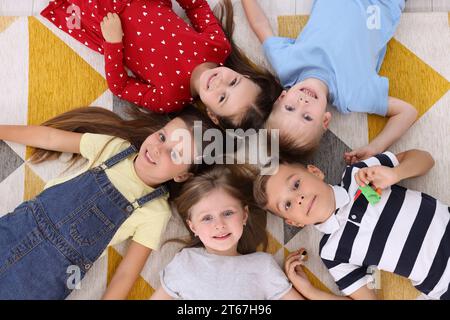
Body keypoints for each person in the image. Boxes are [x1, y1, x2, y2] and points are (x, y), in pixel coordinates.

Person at [0, 105, 216, 299]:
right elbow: (50, 138)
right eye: (162, 137)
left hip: (47, 278)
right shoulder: (113, 148)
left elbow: (126, 274)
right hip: (16, 230)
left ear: (182, 176)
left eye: (175, 154)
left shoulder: (155, 212)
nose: (159, 148)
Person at [41, 0, 282, 130]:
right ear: (243, 75)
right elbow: (196, 6)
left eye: (222, 98)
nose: (220, 83)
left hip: (105, 21)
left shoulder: (169, 100)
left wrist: (113, 42)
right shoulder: (218, 47)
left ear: (212, 115)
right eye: (233, 81)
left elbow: (121, 87)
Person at [254, 149, 450, 300]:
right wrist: (311, 292)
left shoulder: (358, 174)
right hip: (443, 283)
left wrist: (395, 174)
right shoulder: (332, 252)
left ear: (315, 172)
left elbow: (426, 159)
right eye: (287, 204)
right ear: (294, 222)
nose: (299, 198)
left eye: (296, 184)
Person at [242, 0, 418, 163]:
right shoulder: (354, 95)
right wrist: (376, 147)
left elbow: (260, 25)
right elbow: (407, 112)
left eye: (290, 108)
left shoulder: (286, 65)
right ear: (325, 120)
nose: (302, 103)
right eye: (307, 117)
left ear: (281, 97)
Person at [151, 165, 304, 299]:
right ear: (193, 227)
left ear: (244, 215)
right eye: (207, 218)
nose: (219, 225)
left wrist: (306, 288)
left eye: (228, 213)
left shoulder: (263, 267)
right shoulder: (184, 263)